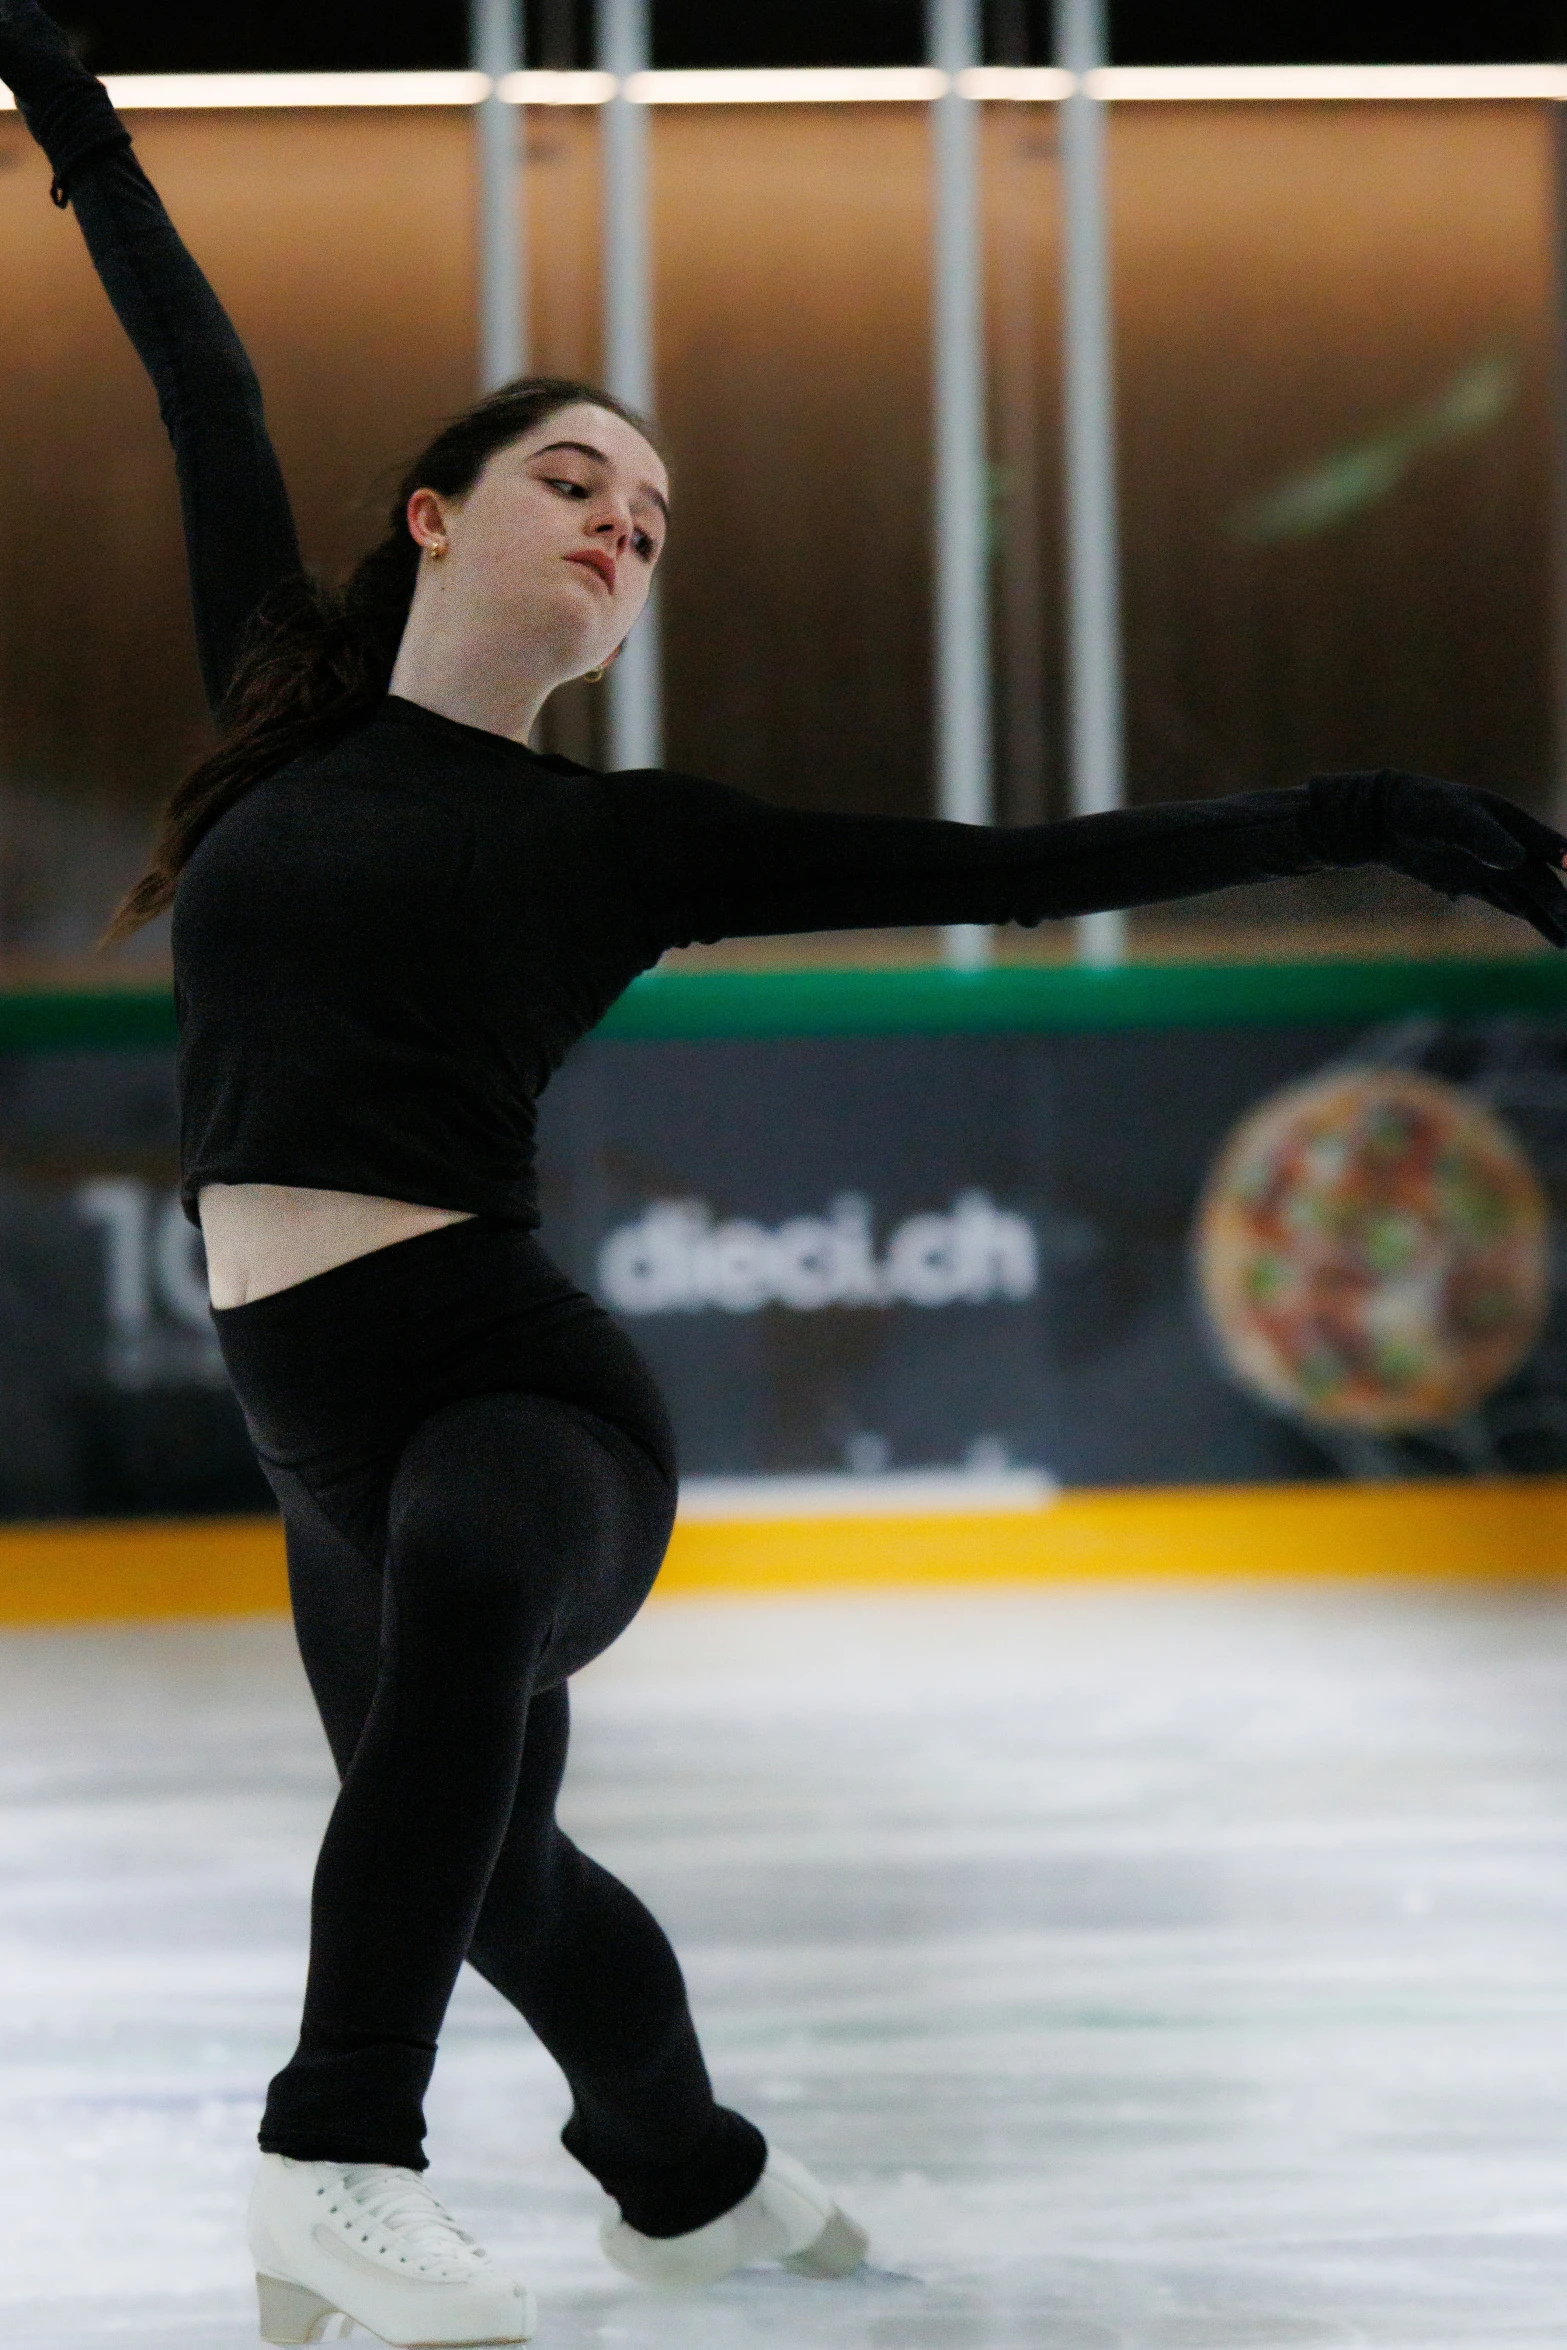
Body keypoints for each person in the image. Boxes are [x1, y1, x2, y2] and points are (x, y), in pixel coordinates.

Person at [4, 9, 1566, 2346]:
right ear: (439, 511)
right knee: (500, 1870)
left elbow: (1020, 865)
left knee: (465, 1614)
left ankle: (339, 2146)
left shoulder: (625, 843)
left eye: (650, 528)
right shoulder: (275, 715)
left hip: (520, 1398)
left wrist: (1349, 811)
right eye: (577, 482)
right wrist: (81, 127)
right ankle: (688, 2171)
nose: (624, 530)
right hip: (303, 1413)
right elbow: (202, 387)